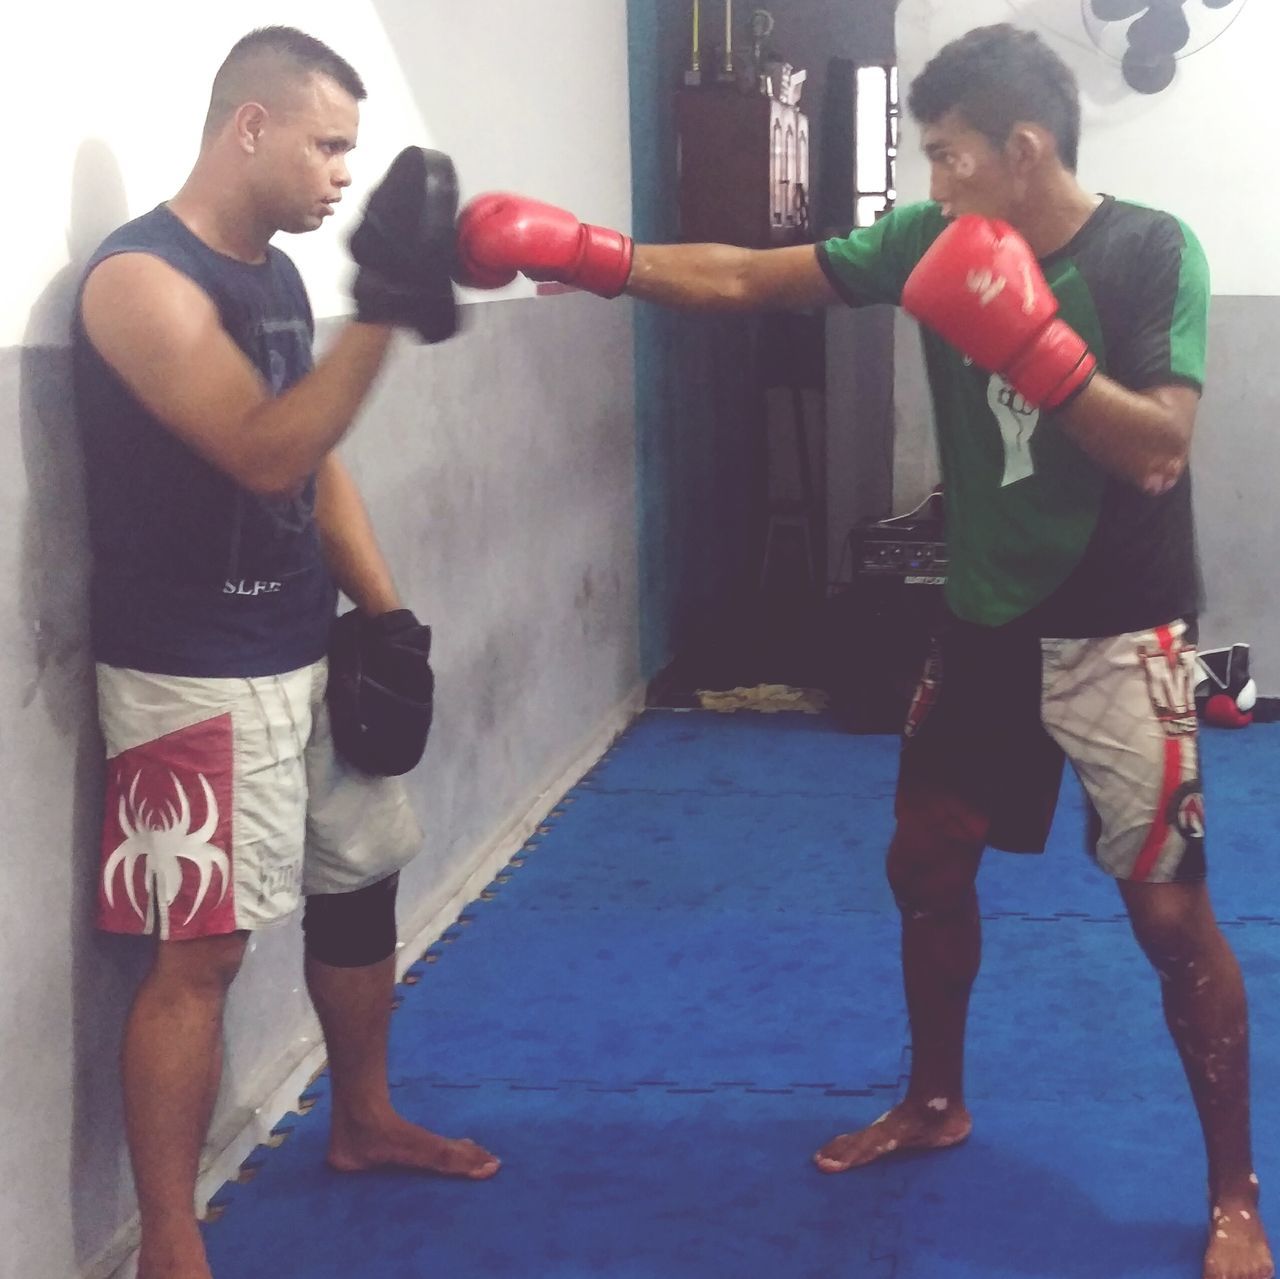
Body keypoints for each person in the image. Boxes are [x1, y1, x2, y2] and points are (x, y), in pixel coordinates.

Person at [449, 23, 1271, 1279]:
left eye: (946, 157)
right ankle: (936, 1100)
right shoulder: (925, 242)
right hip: (983, 621)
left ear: (1022, 147)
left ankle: (1231, 1195)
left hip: (1119, 634)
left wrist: (1032, 345)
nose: (932, 184)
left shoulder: (1150, 249)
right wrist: (590, 253)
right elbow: (742, 278)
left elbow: (1156, 446)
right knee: (924, 865)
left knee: (1167, 917)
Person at [73, 26, 499, 1279]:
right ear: (247, 127)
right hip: (190, 671)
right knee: (200, 953)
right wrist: (382, 310)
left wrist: (385, 612)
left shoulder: (267, 275)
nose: (338, 175)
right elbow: (260, 446)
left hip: (304, 640)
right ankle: (168, 1240)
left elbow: (310, 460)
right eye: (325, 145)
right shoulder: (139, 282)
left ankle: (362, 1118)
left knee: (360, 886)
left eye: (350, 152)